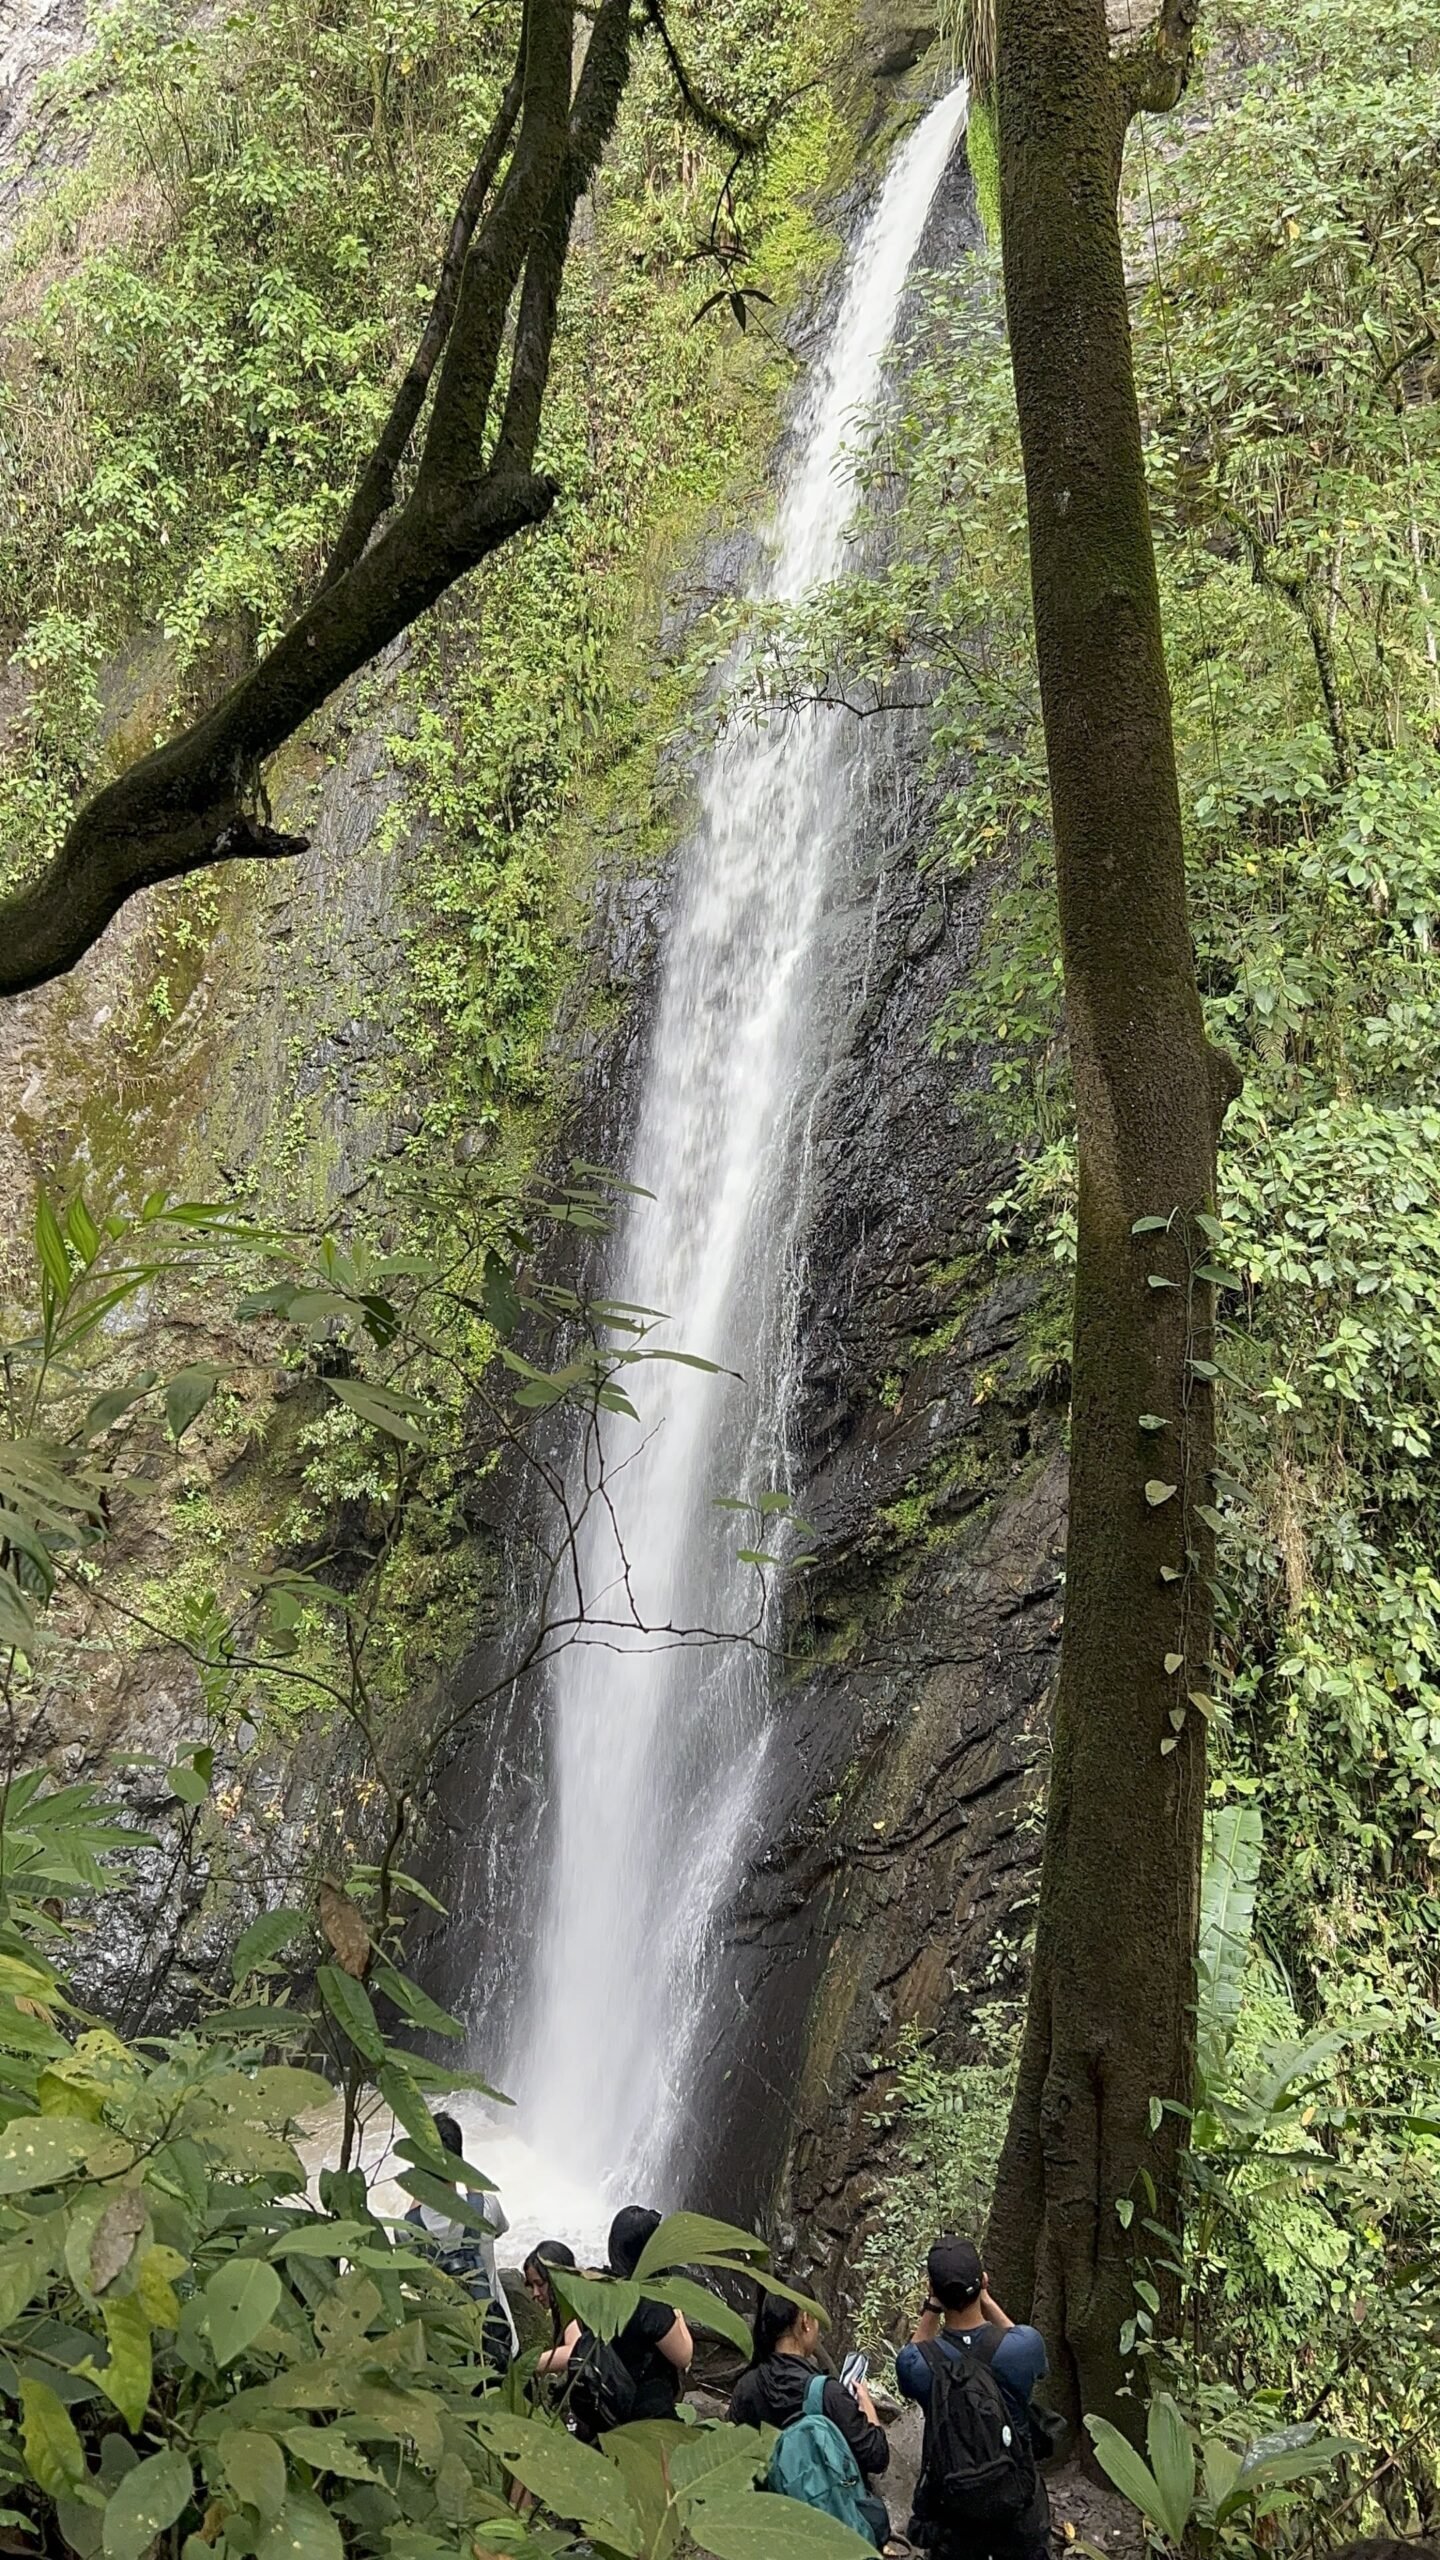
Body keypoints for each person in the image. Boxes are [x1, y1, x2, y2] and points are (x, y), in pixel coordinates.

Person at [896, 2236, 1049, 2560]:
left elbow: (909, 2354)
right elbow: (1019, 2338)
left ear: (932, 2290)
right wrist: (986, 2299)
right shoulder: (1025, 2347)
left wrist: (931, 2308)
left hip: (953, 2513)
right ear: (983, 2281)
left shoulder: (920, 2366)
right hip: (1017, 2505)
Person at [729, 2289, 890, 2548]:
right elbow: (876, 2456)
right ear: (805, 2320)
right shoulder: (826, 2392)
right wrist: (868, 2409)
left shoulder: (745, 2388)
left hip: (769, 2536)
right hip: (830, 2534)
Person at [407, 2111, 517, 2371]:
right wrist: (470, 2181)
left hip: (449, 2359)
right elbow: (501, 2229)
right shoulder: (487, 2208)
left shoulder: (409, 2229)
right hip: (498, 2346)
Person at [605, 2204, 695, 2420]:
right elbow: (683, 2356)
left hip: (606, 2405)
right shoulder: (650, 2303)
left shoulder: (600, 2287)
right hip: (647, 2413)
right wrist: (678, 2311)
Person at [524, 2240, 581, 2375]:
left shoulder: (574, 2306)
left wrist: (527, 2367)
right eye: (532, 2286)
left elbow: (574, 2351)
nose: (535, 2294)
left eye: (540, 2284)